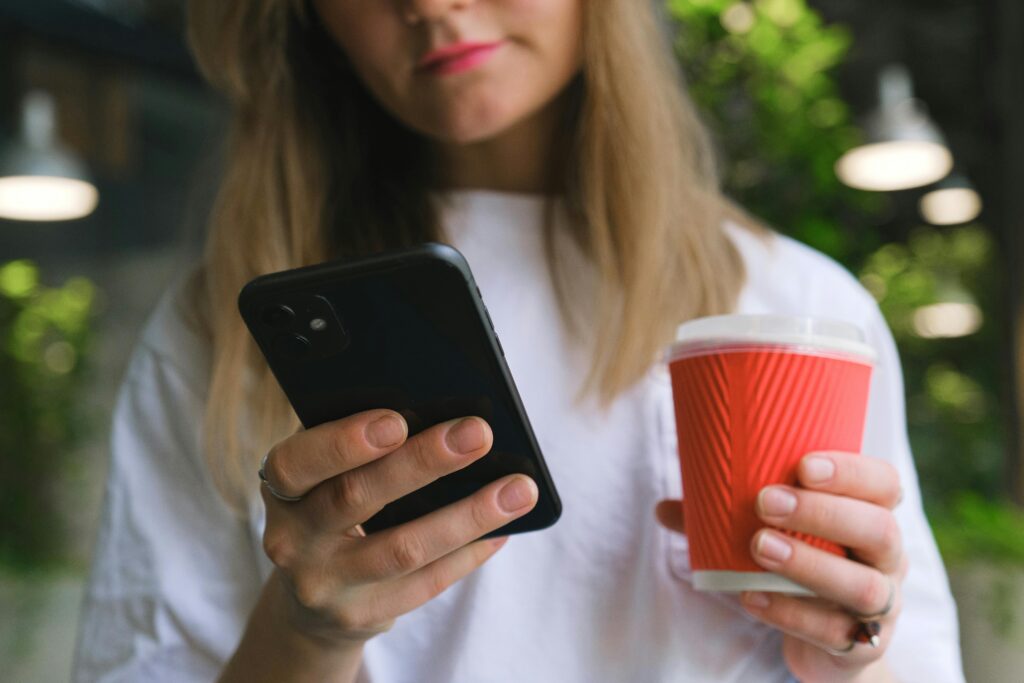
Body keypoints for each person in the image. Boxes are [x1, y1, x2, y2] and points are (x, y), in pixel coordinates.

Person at [74, 1, 965, 682]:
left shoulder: (795, 306)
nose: (427, 5)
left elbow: (907, 654)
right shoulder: (222, 333)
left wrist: (855, 653)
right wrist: (308, 634)